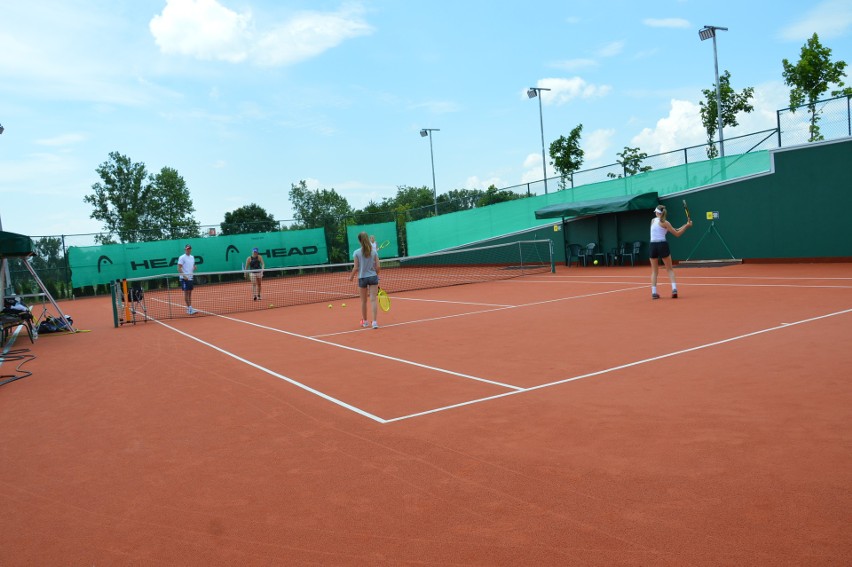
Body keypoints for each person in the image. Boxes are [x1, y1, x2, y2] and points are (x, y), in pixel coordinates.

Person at [649, 205, 692, 299]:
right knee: (669, 269)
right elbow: (677, 233)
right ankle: (674, 289)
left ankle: (654, 293)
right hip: (662, 245)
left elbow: (674, 229)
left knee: (654, 271)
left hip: (652, 246)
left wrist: (686, 225)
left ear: (657, 213)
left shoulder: (653, 221)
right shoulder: (666, 223)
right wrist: (687, 226)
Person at [349, 231, 380, 329]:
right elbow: (378, 266)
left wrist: (351, 277)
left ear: (359, 240)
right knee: (373, 300)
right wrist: (375, 274)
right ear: (367, 239)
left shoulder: (356, 252)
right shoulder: (374, 252)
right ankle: (374, 322)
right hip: (373, 277)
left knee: (363, 301)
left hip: (362, 278)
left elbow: (355, 267)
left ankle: (365, 322)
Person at [177, 244, 197, 314]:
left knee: (190, 293)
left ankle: (189, 308)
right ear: (185, 249)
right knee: (186, 293)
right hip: (184, 278)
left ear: (191, 249)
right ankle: (189, 309)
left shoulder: (192, 257)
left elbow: (193, 265)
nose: (188, 250)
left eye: (189, 249)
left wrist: (194, 267)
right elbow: (179, 268)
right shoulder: (182, 257)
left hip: (191, 277)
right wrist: (184, 276)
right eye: (187, 249)